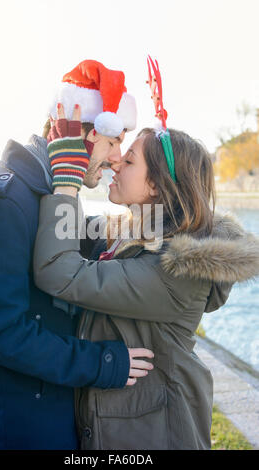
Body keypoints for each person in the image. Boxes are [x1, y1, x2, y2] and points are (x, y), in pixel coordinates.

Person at [33, 103, 259, 450]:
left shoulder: (172, 272)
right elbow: (65, 232)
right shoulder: (134, 232)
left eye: (130, 159)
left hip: (158, 435)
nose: (115, 161)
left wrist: (66, 182)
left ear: (154, 185)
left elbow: (59, 273)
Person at [0, 60, 154, 450]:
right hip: (12, 430)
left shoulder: (52, 195)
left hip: (45, 418)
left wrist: (161, 215)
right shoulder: (7, 198)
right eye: (112, 142)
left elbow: (86, 242)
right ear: (71, 138)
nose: (117, 157)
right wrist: (100, 363)